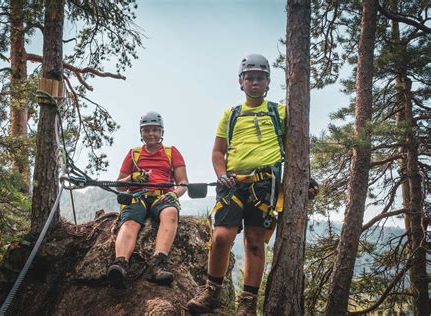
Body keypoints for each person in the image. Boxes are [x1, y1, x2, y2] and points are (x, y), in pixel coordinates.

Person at [187, 54, 318, 314]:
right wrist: (221, 172)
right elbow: (217, 151)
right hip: (233, 182)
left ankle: (247, 303)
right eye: (250, 78)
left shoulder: (279, 112)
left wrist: (306, 179)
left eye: (260, 78)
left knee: (255, 242)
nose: (254, 83)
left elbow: (295, 149)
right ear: (241, 82)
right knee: (221, 237)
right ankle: (211, 292)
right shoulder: (231, 114)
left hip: (264, 183)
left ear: (268, 82)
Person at [107, 111, 188, 289]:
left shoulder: (171, 152)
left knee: (171, 213)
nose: (151, 134)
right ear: (141, 133)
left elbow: (183, 183)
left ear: (162, 132)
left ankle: (158, 263)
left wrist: (174, 194)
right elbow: (119, 186)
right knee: (130, 222)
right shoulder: (133, 154)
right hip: (138, 196)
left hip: (163, 195)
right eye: (147, 130)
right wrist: (133, 178)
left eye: (155, 130)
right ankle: (120, 264)